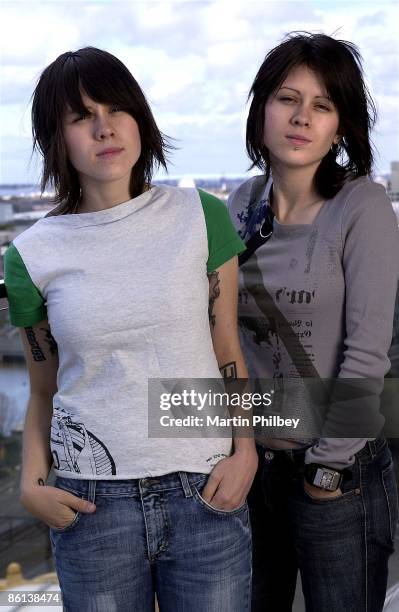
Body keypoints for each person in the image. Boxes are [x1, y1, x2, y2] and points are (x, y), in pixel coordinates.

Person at [4, 47, 257, 611]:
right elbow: (44, 388)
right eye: (79, 117)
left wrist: (246, 453)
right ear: (58, 139)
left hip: (206, 491)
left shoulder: (201, 217)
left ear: (140, 118)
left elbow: (226, 349)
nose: (103, 128)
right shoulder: (30, 255)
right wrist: (32, 482)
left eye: (116, 108)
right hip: (90, 507)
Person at [227, 32, 399, 612]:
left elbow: (367, 352)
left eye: (322, 106)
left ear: (340, 127)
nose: (302, 118)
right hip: (251, 470)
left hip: (336, 476)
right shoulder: (241, 205)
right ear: (260, 111)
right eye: (286, 99)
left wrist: (326, 470)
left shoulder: (362, 207)